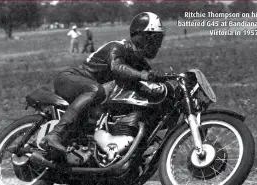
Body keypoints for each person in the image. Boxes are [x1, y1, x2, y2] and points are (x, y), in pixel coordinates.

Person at [40, 12, 166, 153]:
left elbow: (149, 80)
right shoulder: (118, 47)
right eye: (154, 39)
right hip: (70, 79)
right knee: (95, 90)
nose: (157, 44)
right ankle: (55, 134)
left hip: (93, 94)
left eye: (159, 39)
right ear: (141, 36)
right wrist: (143, 75)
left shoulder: (139, 61)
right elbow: (117, 67)